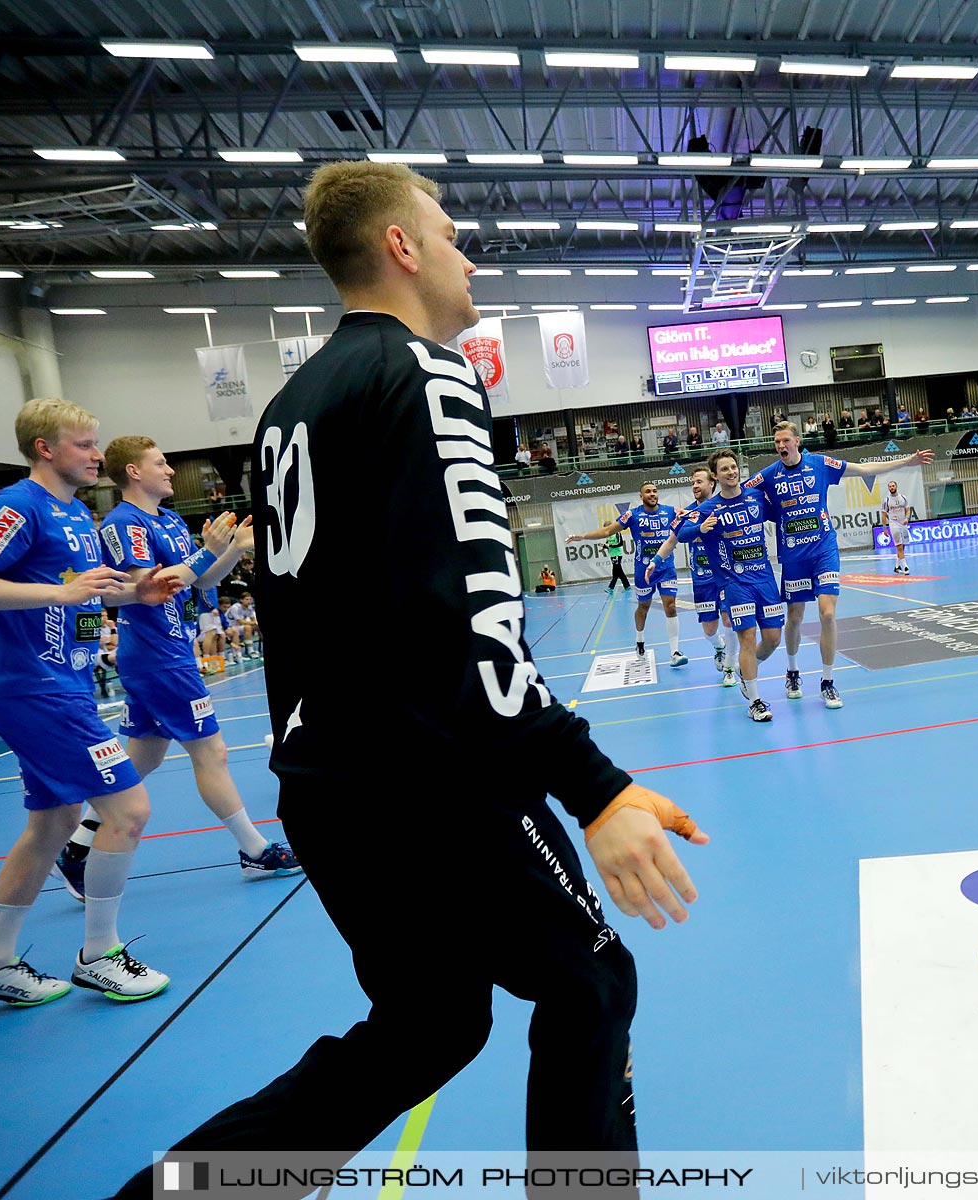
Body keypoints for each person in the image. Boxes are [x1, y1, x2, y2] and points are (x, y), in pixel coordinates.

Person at [114, 160, 705, 1198]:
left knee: (428, 1026)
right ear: (400, 246)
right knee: (593, 980)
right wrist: (595, 787)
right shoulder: (427, 375)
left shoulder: (292, 406)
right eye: (449, 232)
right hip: (429, 780)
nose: (467, 255)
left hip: (326, 789)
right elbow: (471, 619)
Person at [0, 399, 185, 1008]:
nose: (98, 454)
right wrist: (59, 590)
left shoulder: (75, 514)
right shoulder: (17, 505)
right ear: (45, 448)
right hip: (34, 686)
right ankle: (100, 955)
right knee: (126, 811)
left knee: (54, 823)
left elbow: (88, 594)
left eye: (96, 444)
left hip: (64, 683)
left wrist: (137, 591)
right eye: (83, 444)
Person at [52, 436, 301, 903]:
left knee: (142, 758)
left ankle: (77, 848)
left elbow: (200, 579)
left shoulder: (167, 520)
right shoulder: (125, 523)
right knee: (213, 753)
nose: (170, 471)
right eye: (161, 463)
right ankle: (254, 849)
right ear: (133, 472)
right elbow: (153, 585)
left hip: (172, 651)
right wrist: (208, 551)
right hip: (158, 657)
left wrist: (231, 550)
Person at [744, 422, 934, 708]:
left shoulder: (820, 464)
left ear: (797, 441)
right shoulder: (769, 475)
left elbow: (865, 470)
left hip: (824, 550)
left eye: (785, 440)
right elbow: (733, 493)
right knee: (794, 617)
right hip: (794, 556)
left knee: (828, 615)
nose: (781, 446)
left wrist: (909, 460)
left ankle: (828, 681)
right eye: (777, 443)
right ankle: (793, 672)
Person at [675, 448, 785, 721]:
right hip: (734, 583)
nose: (731, 472)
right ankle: (756, 702)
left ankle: (746, 672)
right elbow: (681, 533)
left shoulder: (756, 497)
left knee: (772, 639)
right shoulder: (708, 508)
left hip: (764, 578)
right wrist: (700, 529)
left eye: (733, 467)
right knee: (746, 637)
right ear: (715, 476)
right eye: (724, 469)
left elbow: (781, 512)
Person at [566, 483, 689, 667]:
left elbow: (691, 515)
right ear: (641, 496)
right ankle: (639, 640)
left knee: (670, 607)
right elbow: (608, 531)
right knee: (643, 607)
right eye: (648, 491)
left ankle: (675, 652)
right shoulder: (633, 515)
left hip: (666, 567)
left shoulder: (670, 511)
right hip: (643, 570)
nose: (652, 494)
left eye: (655, 491)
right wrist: (582, 536)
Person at [653, 466, 736, 687]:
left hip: (726, 575)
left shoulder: (724, 506)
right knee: (709, 629)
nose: (695, 486)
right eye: (692, 483)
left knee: (729, 619)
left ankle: (730, 668)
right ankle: (719, 647)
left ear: (712, 483)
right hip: (702, 579)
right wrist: (655, 561)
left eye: (699, 481)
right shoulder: (687, 513)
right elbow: (673, 540)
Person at [881, 479, 916, 574]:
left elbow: (908, 509)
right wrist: (884, 528)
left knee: (903, 546)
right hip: (893, 523)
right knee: (899, 546)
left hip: (903, 523)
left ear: (896, 486)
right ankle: (906, 567)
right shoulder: (887, 500)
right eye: (890, 486)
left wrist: (907, 518)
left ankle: (896, 566)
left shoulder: (903, 497)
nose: (891, 488)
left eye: (893, 486)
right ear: (888, 488)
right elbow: (883, 515)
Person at [601, 527, 631, 591]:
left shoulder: (617, 533)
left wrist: (610, 545)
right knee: (619, 572)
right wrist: (603, 545)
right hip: (612, 555)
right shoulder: (608, 536)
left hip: (617, 554)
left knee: (615, 572)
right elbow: (607, 545)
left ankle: (611, 588)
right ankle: (627, 586)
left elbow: (620, 543)